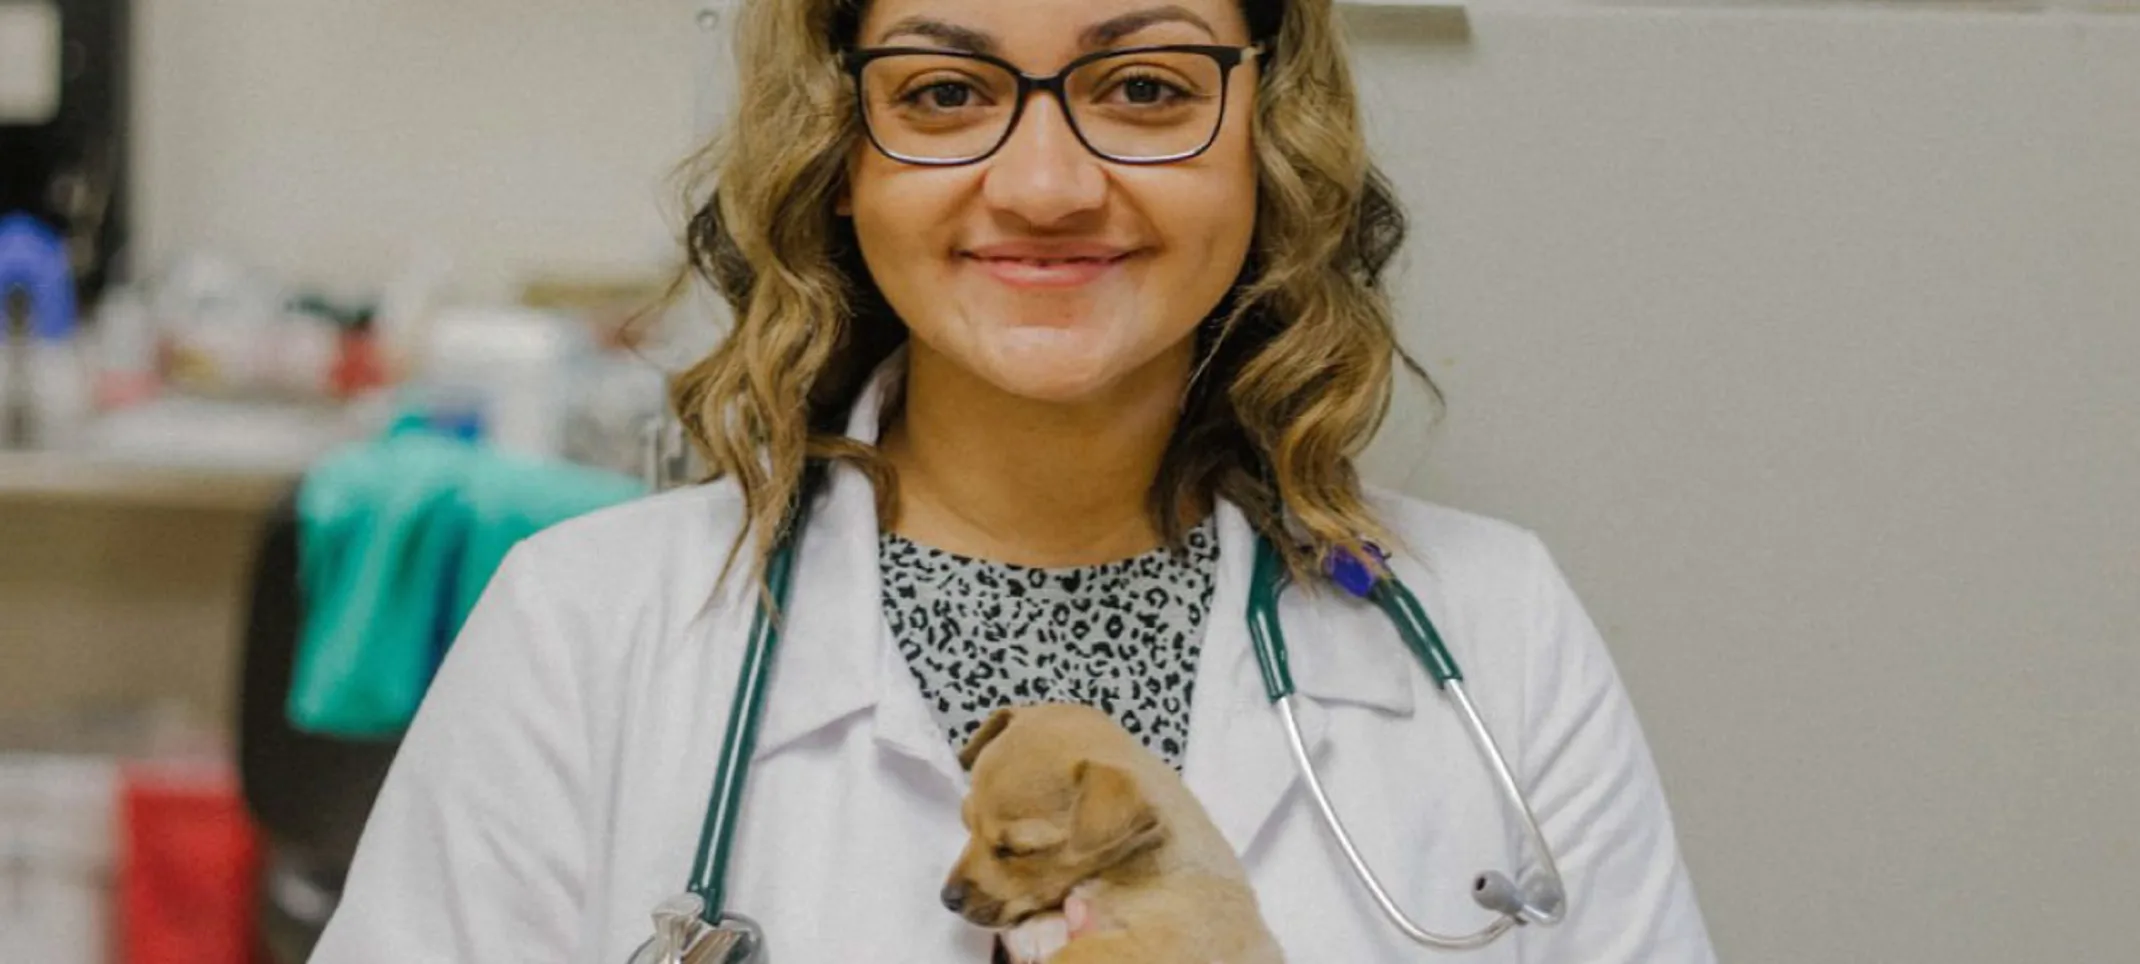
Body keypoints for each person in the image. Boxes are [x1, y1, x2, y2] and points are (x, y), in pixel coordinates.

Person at [309, 0, 1717, 960]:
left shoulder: (1495, 631)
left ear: (1268, 140)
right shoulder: (584, 633)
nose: (1045, 183)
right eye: (943, 90)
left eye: (1147, 88)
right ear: (841, 153)